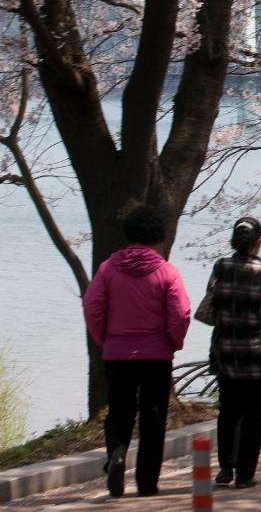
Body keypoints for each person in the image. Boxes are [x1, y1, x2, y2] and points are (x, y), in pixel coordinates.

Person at [82, 204, 191, 498]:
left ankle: (117, 453)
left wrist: (104, 338)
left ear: (128, 233)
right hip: (156, 355)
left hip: (117, 353)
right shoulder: (167, 272)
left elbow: (92, 306)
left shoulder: (107, 270)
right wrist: (173, 342)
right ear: (158, 236)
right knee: (153, 417)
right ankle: (146, 482)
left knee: (119, 411)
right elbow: (180, 313)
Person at [205, 217, 261, 489]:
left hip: (227, 350)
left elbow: (212, 296)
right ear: (259, 241)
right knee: (255, 414)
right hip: (260, 352)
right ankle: (245, 473)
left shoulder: (221, 267)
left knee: (229, 410)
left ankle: (226, 467)